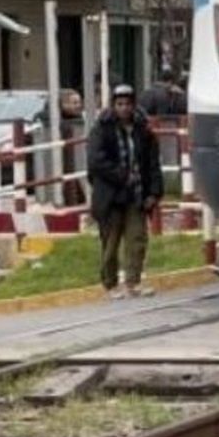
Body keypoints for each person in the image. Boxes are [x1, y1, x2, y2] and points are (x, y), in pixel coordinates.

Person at [87, 85, 164, 299]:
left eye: (128, 104)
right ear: (113, 105)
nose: (124, 108)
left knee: (137, 239)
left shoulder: (143, 131)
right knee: (110, 242)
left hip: (137, 195)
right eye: (119, 104)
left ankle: (134, 282)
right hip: (111, 196)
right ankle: (110, 284)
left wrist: (154, 192)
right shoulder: (102, 129)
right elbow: (95, 162)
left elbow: (152, 164)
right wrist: (121, 176)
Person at [59, 89, 86, 207]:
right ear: (63, 104)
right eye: (74, 103)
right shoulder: (60, 123)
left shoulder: (81, 120)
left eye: (79, 102)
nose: (78, 105)